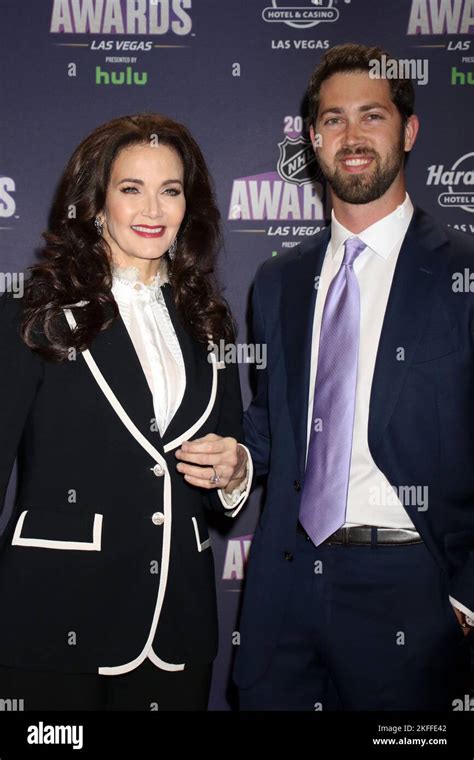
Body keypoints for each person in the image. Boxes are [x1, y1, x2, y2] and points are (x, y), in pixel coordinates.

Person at [234, 43, 474, 710]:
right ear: (313, 139)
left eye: (372, 115)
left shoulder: (463, 273)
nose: (353, 136)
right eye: (333, 120)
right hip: (284, 584)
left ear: (410, 129)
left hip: (410, 589)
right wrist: (235, 462)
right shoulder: (277, 281)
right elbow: (272, 424)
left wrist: (465, 599)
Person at [0, 114, 252, 711]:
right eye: (130, 188)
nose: (153, 208)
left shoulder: (210, 319)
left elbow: (225, 459)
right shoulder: (31, 311)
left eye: (171, 190)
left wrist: (235, 470)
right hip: (54, 623)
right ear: (95, 203)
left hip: (179, 626)